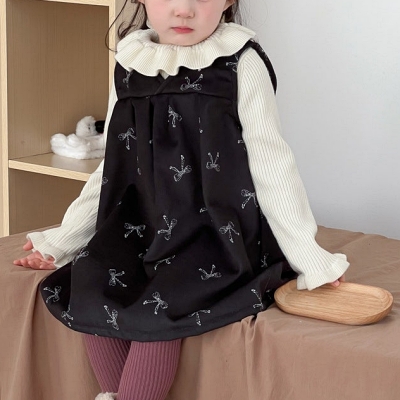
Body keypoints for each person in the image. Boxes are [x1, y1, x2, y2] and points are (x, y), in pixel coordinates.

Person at [14, 0, 349, 399]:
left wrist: (309, 257)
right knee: (89, 285)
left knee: (158, 312)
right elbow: (113, 166)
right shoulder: (130, 63)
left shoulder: (239, 64)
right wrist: (64, 239)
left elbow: (272, 165)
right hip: (140, 228)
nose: (184, 9)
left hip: (213, 235)